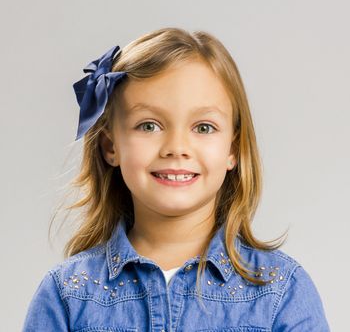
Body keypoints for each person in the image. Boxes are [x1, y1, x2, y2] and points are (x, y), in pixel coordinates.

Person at [22, 27, 330, 331]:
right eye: (149, 126)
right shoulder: (66, 295)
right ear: (110, 146)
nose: (176, 148)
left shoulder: (281, 290)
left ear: (232, 149)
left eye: (204, 127)